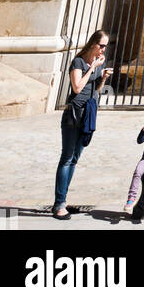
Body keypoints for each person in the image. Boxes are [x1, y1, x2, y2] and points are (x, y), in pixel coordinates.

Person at [53, 28, 112, 220]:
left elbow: (93, 89)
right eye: (101, 45)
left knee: (75, 159)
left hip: (87, 115)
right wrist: (93, 67)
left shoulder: (92, 64)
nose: (103, 49)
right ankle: (59, 204)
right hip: (73, 115)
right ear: (93, 43)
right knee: (67, 158)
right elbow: (77, 88)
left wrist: (102, 78)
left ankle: (63, 198)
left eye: (105, 46)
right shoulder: (78, 62)